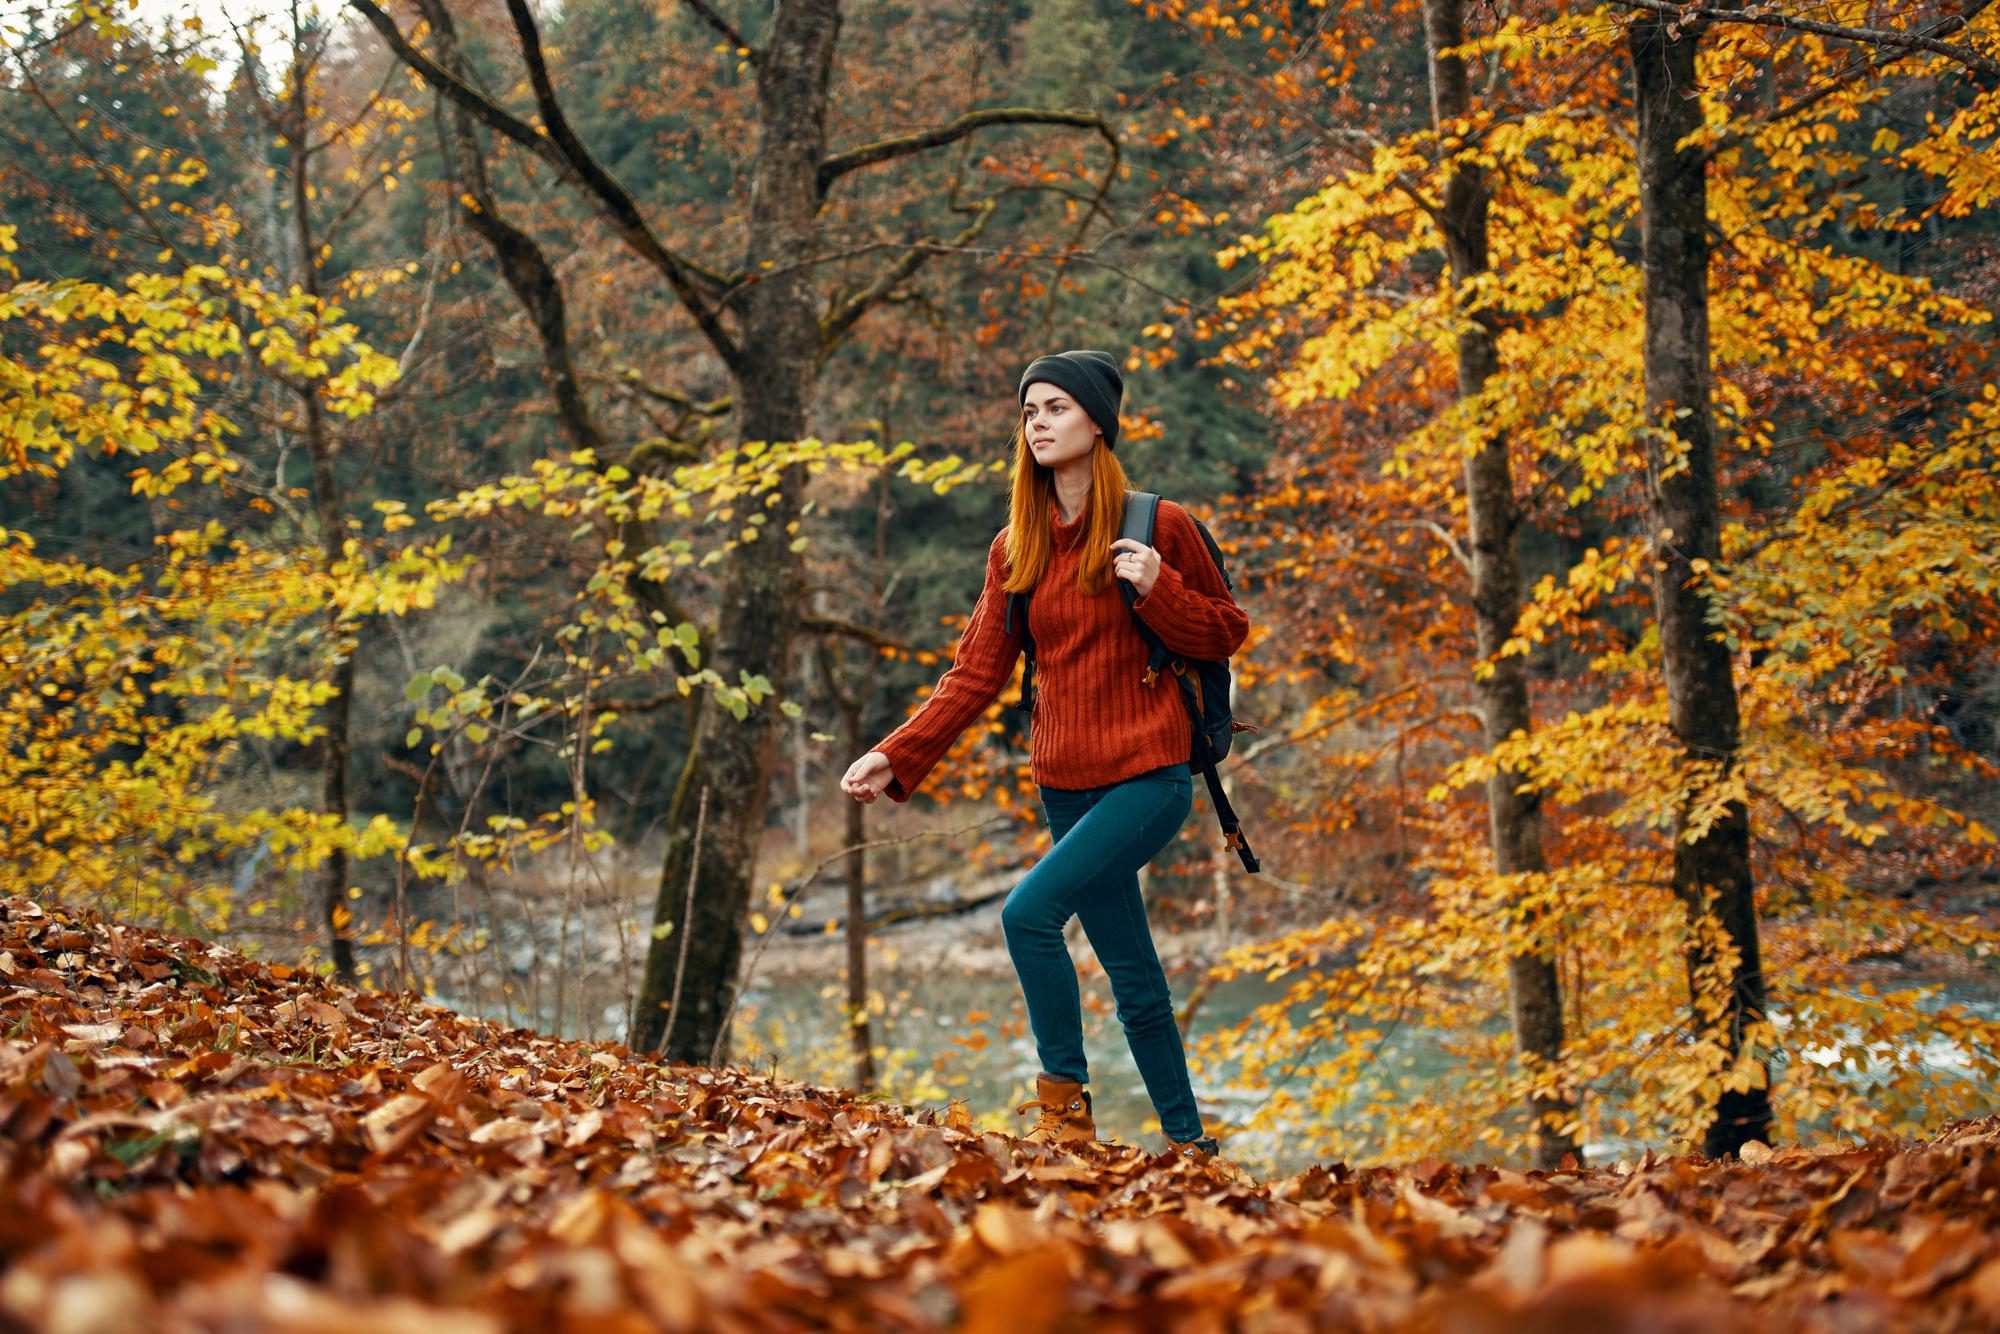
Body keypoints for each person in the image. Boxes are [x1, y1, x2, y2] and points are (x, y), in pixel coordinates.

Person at [839, 349, 1249, 1164]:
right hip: (1064, 784)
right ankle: (1191, 1146)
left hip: (1149, 776)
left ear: (1099, 421)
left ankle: (1063, 1111)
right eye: (1030, 412)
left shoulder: (1157, 525)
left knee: (1026, 915)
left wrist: (1158, 586)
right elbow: (977, 672)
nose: (1039, 423)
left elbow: (1226, 630)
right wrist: (897, 754)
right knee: (1134, 976)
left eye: (1057, 408)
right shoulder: (1014, 549)